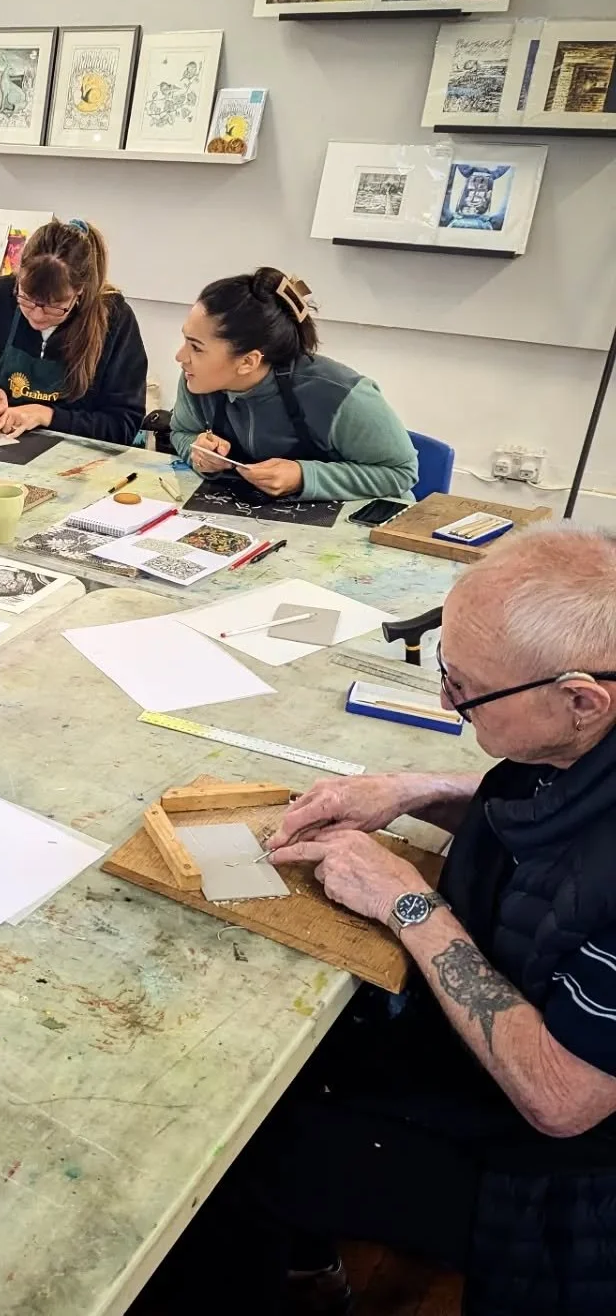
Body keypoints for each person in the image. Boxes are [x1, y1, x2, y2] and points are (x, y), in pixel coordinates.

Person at [158, 527, 616, 1315]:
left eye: (466, 690)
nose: (445, 700)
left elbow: (563, 1100)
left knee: (212, 1152)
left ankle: (297, 1279)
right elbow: (555, 808)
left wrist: (409, 902)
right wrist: (412, 789)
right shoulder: (587, 737)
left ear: (582, 697)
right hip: (511, 1073)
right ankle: (304, 1262)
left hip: (564, 1181)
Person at [171, 267, 418, 501]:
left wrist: (303, 476)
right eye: (186, 340)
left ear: (248, 361)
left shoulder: (340, 394)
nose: (181, 357)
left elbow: (402, 472)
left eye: (196, 348)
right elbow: (182, 432)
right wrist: (199, 452)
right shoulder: (197, 380)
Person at [0, 219, 148, 447]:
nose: (37, 315)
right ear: (18, 275)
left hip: (75, 464)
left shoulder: (114, 319)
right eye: (26, 298)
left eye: (54, 306)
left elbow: (122, 425)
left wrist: (47, 415)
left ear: (80, 291)